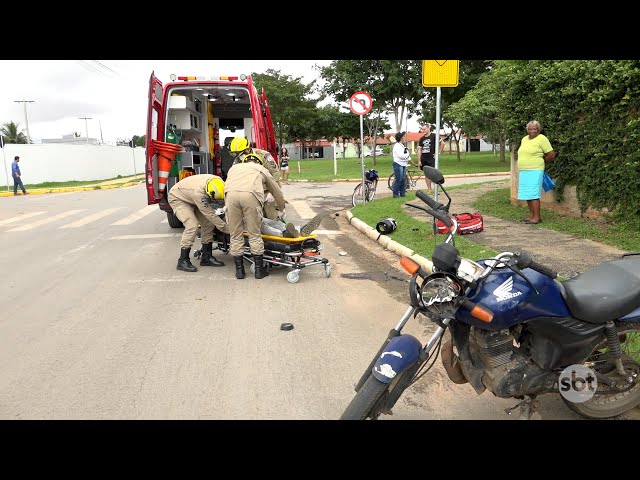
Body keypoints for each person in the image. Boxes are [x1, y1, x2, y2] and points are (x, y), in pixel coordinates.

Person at [224, 152, 286, 280]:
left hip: (230, 197)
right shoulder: (261, 168)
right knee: (254, 233)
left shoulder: (234, 168)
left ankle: (239, 271)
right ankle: (259, 271)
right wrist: (281, 207)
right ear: (257, 161)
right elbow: (276, 190)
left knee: (235, 234)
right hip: (250, 196)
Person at [168, 173, 229, 272]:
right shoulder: (199, 194)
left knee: (208, 224)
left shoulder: (219, 182)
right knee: (192, 225)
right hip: (178, 198)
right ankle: (183, 260)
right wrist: (225, 228)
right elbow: (210, 214)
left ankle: (206, 257)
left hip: (190, 195)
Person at [229, 136, 282, 220]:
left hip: (268, 189)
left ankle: (283, 230)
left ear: (248, 149)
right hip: (253, 191)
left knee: (271, 214)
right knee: (257, 218)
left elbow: (275, 174)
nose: (238, 157)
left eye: (239, 153)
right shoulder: (237, 161)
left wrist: (273, 193)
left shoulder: (263, 155)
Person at [516, 120, 556, 224]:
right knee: (528, 194)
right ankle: (531, 216)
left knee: (533, 194)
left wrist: (542, 161)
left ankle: (537, 218)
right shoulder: (524, 139)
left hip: (535, 170)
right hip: (524, 171)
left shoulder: (542, 139)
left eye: (535, 129)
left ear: (538, 129)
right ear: (527, 130)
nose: (532, 131)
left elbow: (551, 154)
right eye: (530, 129)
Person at [417, 124, 445, 192]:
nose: (423, 130)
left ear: (428, 128)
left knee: (433, 174)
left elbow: (442, 144)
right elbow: (420, 150)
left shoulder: (434, 136)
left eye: (424, 129)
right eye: (422, 129)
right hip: (424, 158)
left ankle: (436, 190)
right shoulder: (422, 139)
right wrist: (419, 160)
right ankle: (429, 189)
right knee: (426, 174)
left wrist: (438, 153)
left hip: (432, 158)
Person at [392, 132, 413, 198]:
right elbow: (401, 156)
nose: (404, 138)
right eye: (403, 136)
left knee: (403, 179)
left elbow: (406, 155)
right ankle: (395, 194)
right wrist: (407, 155)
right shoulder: (397, 146)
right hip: (398, 164)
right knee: (399, 179)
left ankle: (402, 193)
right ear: (400, 138)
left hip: (404, 164)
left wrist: (407, 155)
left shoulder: (403, 145)